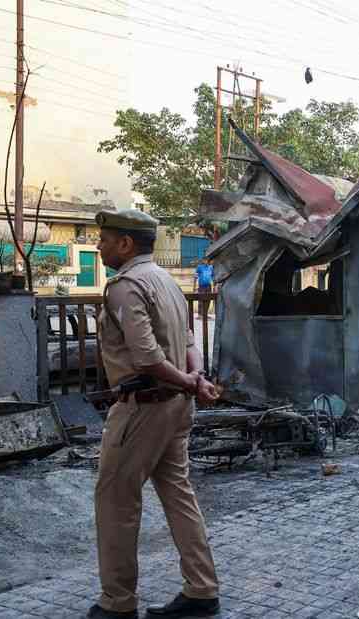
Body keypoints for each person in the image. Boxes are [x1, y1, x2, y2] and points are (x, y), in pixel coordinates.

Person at [89, 209, 221, 619]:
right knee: (179, 494)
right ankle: (202, 590)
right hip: (176, 407)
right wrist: (195, 380)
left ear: (125, 243)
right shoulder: (165, 281)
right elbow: (189, 342)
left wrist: (189, 382)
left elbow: (146, 358)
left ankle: (117, 603)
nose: (99, 246)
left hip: (143, 408)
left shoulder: (126, 287)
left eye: (104, 239)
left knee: (115, 501)